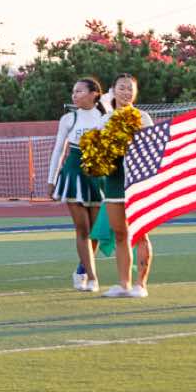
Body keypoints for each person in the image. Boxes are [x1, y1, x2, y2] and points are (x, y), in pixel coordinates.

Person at [47, 77, 109, 292]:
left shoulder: (105, 117)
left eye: (80, 91)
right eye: (73, 92)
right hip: (74, 175)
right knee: (82, 229)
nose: (75, 95)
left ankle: (81, 270)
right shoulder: (68, 118)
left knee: (96, 231)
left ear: (94, 94)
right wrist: (51, 180)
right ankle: (92, 278)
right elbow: (58, 150)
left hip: (98, 176)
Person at [98, 74, 153, 299]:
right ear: (113, 91)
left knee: (140, 233)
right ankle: (124, 284)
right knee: (120, 234)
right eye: (122, 88)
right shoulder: (105, 119)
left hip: (137, 181)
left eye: (130, 89)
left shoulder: (143, 117)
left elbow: (151, 150)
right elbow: (100, 152)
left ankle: (141, 284)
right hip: (114, 180)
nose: (126, 92)